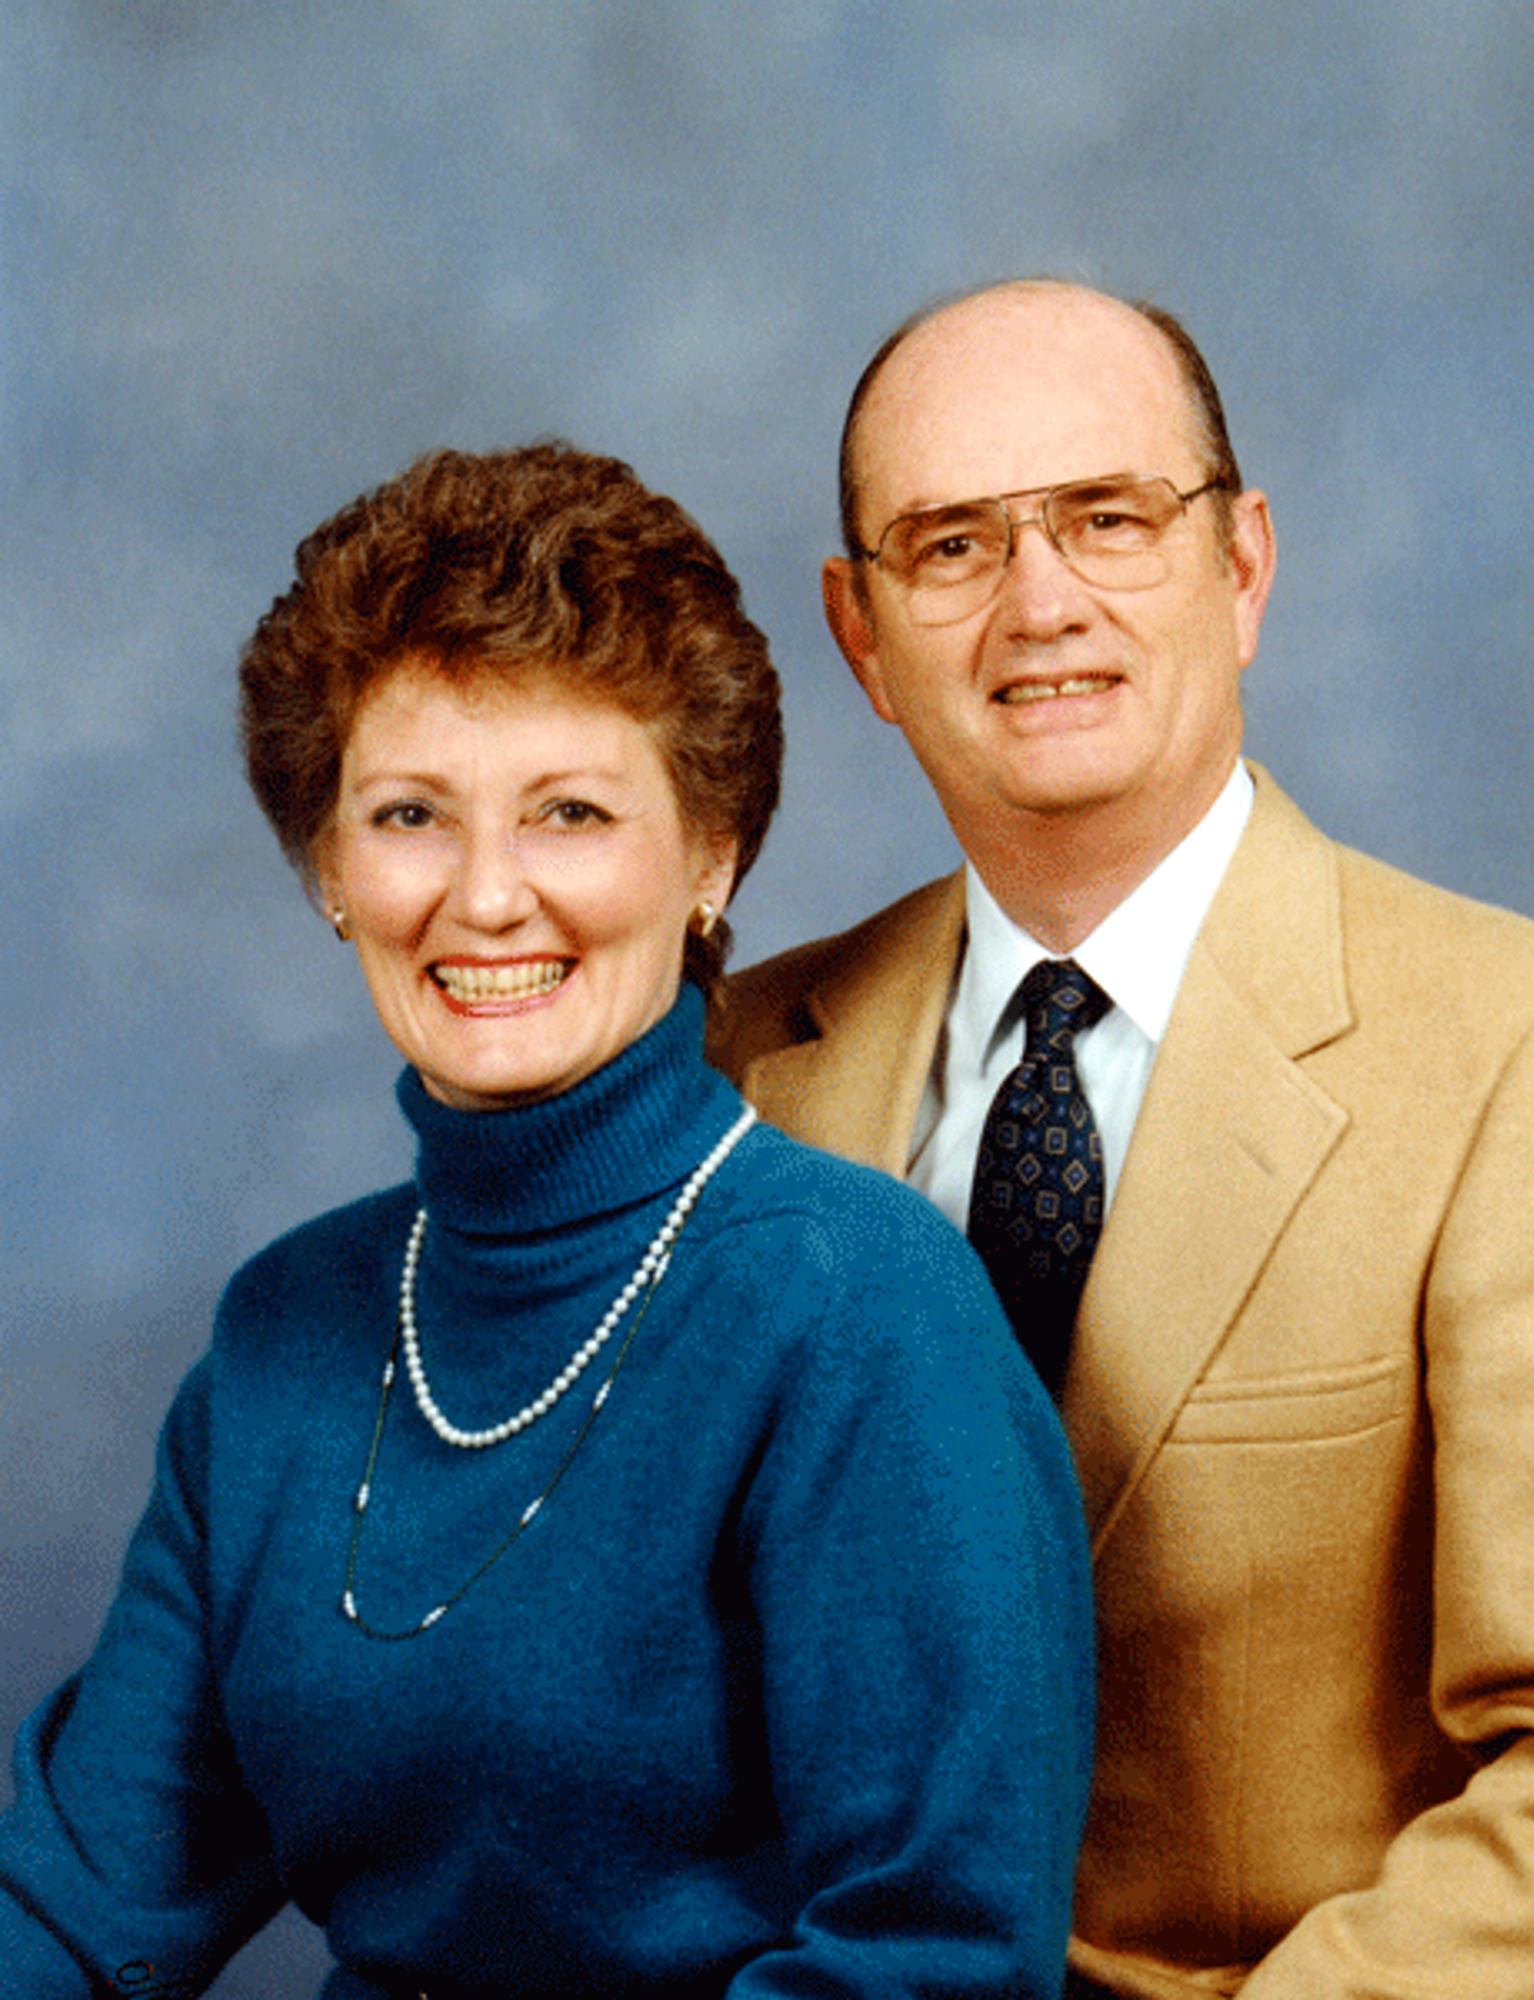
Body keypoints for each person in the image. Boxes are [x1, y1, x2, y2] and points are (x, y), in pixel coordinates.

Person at [0, 442, 1097, 1998]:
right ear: (328, 865)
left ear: (710, 855)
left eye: (571, 812)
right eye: (409, 816)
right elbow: (80, 1908)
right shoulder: (285, 1332)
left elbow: (932, 1963)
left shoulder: (855, 1307)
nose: (488, 896)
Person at [711, 279, 1534, 1999]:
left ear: (1244, 566)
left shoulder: (1514, 1045)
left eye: (1111, 520)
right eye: (951, 545)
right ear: (860, 634)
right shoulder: (736, 1067)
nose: (1042, 605)